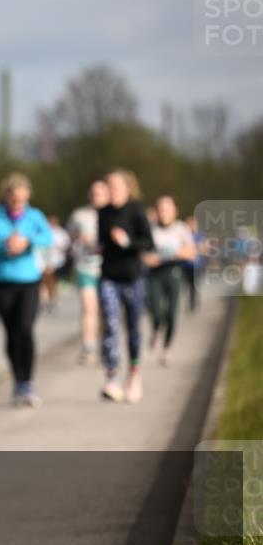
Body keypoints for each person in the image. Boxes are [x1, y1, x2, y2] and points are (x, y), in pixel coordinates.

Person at [0, 173, 53, 407]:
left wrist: (27, 242)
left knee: (25, 329)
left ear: (27, 197)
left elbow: (48, 238)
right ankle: (17, 380)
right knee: (11, 334)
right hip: (4, 282)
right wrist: (4, 246)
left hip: (29, 281)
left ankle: (28, 381)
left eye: (22, 199)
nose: (18, 203)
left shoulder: (35, 216)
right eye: (14, 199)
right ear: (7, 197)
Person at [97, 168, 153, 403]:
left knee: (132, 328)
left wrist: (127, 241)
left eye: (114, 187)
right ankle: (111, 377)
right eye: (107, 186)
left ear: (126, 188)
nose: (110, 191)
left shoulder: (136, 211)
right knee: (110, 325)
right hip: (109, 276)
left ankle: (134, 375)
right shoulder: (103, 213)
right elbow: (102, 241)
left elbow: (148, 243)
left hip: (132, 277)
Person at [145, 196, 196, 365]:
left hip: (173, 271)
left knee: (172, 313)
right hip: (155, 273)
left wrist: (175, 254)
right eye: (161, 209)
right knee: (156, 309)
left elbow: (191, 253)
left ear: (175, 211)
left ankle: (167, 348)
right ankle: (156, 328)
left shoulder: (181, 229)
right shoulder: (150, 229)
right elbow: (143, 252)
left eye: (167, 209)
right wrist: (147, 258)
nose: (164, 213)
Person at [66, 180, 109, 365]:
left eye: (100, 192)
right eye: (93, 192)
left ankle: (104, 346)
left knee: (104, 310)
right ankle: (88, 347)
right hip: (85, 267)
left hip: (107, 269)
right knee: (89, 307)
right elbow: (68, 235)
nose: (96, 195)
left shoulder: (113, 215)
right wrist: (78, 238)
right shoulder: (80, 215)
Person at [41, 214, 71, 312]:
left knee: (52, 282)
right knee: (45, 282)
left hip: (57, 261)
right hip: (44, 261)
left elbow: (67, 245)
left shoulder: (61, 233)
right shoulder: (43, 231)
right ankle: (45, 300)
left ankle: (52, 299)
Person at [181, 215, 205, 313]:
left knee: (194, 285)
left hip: (197, 265)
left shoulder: (200, 235)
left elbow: (204, 248)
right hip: (185, 265)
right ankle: (191, 303)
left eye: (194, 223)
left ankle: (194, 304)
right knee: (187, 286)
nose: (192, 225)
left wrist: (196, 249)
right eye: (190, 223)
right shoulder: (184, 236)